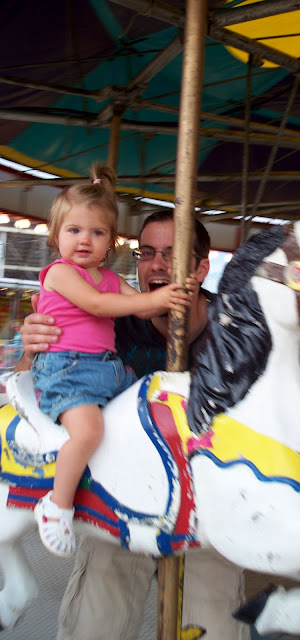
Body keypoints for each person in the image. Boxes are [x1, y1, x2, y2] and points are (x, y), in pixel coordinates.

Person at [16, 207, 248, 640]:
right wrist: (35, 344)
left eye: (171, 254)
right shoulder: (109, 319)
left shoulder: (236, 330)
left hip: (209, 504)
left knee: (213, 623)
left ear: (200, 267)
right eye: (146, 254)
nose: (156, 265)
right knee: (95, 622)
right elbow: (49, 382)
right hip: (121, 494)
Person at [30, 164, 194, 558]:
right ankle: (57, 505)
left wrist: (171, 293)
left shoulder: (107, 277)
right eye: (74, 230)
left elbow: (136, 309)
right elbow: (100, 305)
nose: (84, 240)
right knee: (88, 432)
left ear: (110, 243)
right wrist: (158, 298)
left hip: (107, 369)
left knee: (149, 398)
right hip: (67, 371)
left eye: (97, 232)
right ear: (56, 237)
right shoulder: (60, 274)